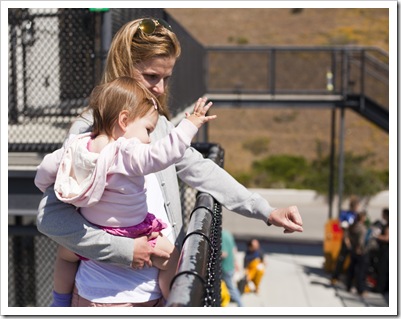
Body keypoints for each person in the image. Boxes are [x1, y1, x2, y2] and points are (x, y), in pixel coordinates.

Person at [36, 17, 303, 305]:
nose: (161, 89)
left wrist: (264, 210)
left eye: (166, 78)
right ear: (123, 67)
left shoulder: (159, 124)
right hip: (104, 297)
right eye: (151, 76)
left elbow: (200, 169)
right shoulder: (90, 129)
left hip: (160, 295)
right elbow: (51, 217)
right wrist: (126, 249)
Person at [35, 76, 217, 306]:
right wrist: (190, 125)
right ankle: (174, 302)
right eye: (148, 130)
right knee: (172, 256)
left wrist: (49, 189)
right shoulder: (126, 153)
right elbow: (163, 154)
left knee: (65, 254)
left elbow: (46, 169)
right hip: (133, 232)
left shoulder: (77, 145)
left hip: (96, 230)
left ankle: (59, 301)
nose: (150, 139)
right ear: (124, 120)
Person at [331, 195, 360, 285]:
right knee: (341, 259)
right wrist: (344, 225)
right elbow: (339, 225)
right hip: (346, 238)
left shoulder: (357, 215)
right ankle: (335, 277)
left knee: (353, 260)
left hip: (354, 240)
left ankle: (351, 278)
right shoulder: (345, 214)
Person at [345, 211, 368, 296]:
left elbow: (347, 236)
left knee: (352, 268)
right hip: (360, 251)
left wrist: (350, 245)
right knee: (361, 271)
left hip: (353, 250)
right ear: (362, 218)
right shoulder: (362, 228)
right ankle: (361, 289)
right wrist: (360, 248)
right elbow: (361, 241)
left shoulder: (353, 226)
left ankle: (348, 286)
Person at [221, 229, 243, 307]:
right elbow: (234, 250)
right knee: (231, 286)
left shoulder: (222, 236)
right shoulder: (228, 234)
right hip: (230, 266)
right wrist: (235, 262)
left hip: (225, 267)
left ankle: (241, 305)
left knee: (231, 288)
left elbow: (224, 254)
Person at [374, 208, 389, 294]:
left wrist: (377, 236)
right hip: (385, 250)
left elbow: (387, 238)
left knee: (383, 269)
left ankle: (380, 288)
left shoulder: (388, 225)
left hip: (386, 251)